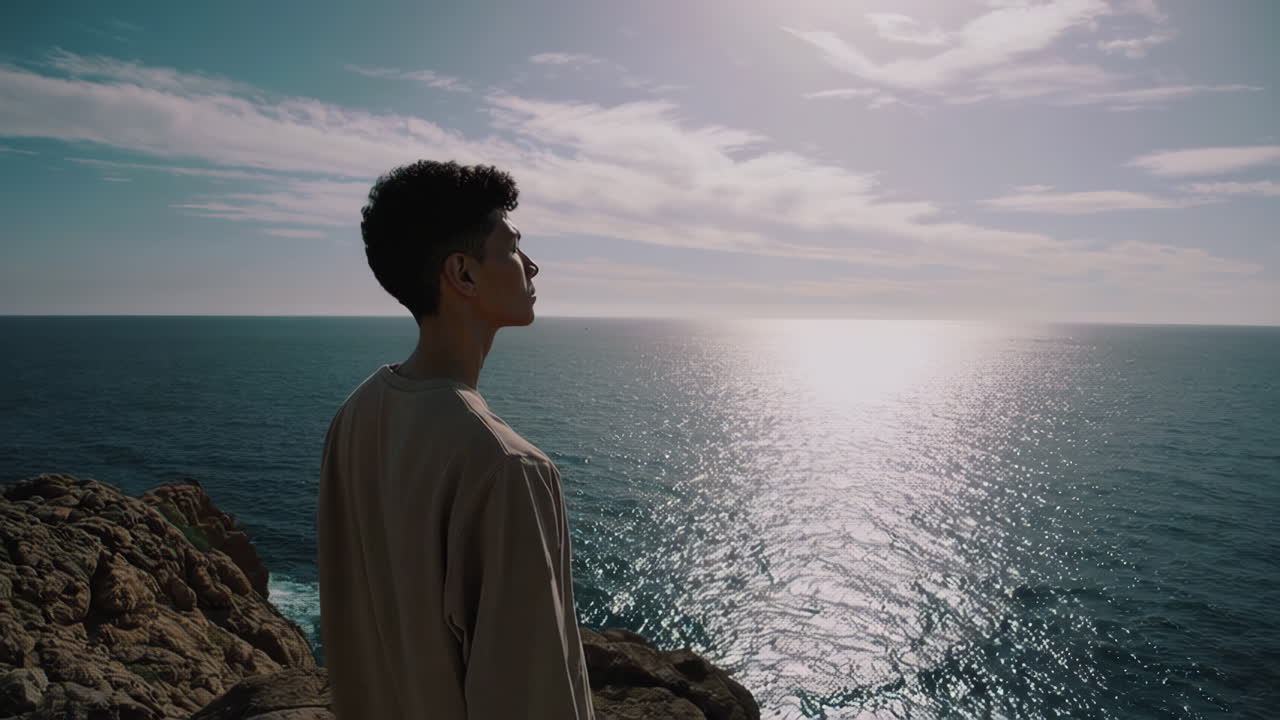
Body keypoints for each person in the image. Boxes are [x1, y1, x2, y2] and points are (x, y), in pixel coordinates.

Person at [317, 160, 595, 719]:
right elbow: (529, 697)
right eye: (514, 248)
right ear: (463, 275)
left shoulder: (356, 415)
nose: (532, 265)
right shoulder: (507, 466)